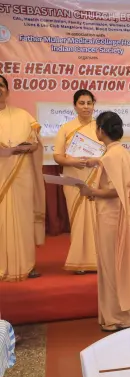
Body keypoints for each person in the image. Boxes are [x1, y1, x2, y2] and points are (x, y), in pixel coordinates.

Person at [77, 112, 130, 332]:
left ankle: (118, 317)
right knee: (126, 265)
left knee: (112, 266)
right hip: (124, 214)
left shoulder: (110, 156)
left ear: (101, 130)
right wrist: (97, 163)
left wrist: (91, 191)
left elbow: (115, 191)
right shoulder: (121, 152)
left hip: (113, 217)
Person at [0, 74, 45, 282]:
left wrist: (25, 147)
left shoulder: (23, 115)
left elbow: (36, 144)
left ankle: (27, 265)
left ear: (7, 91)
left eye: (1, 85)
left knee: (24, 219)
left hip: (22, 175)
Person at [53, 89, 102, 274]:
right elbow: (58, 156)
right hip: (74, 180)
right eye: (81, 103)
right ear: (74, 106)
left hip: (97, 179)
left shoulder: (101, 127)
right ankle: (80, 261)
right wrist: (73, 162)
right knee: (78, 221)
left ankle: (100, 260)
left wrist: (96, 160)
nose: (86, 107)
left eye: (89, 103)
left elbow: (109, 153)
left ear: (94, 105)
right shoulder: (66, 128)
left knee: (98, 219)